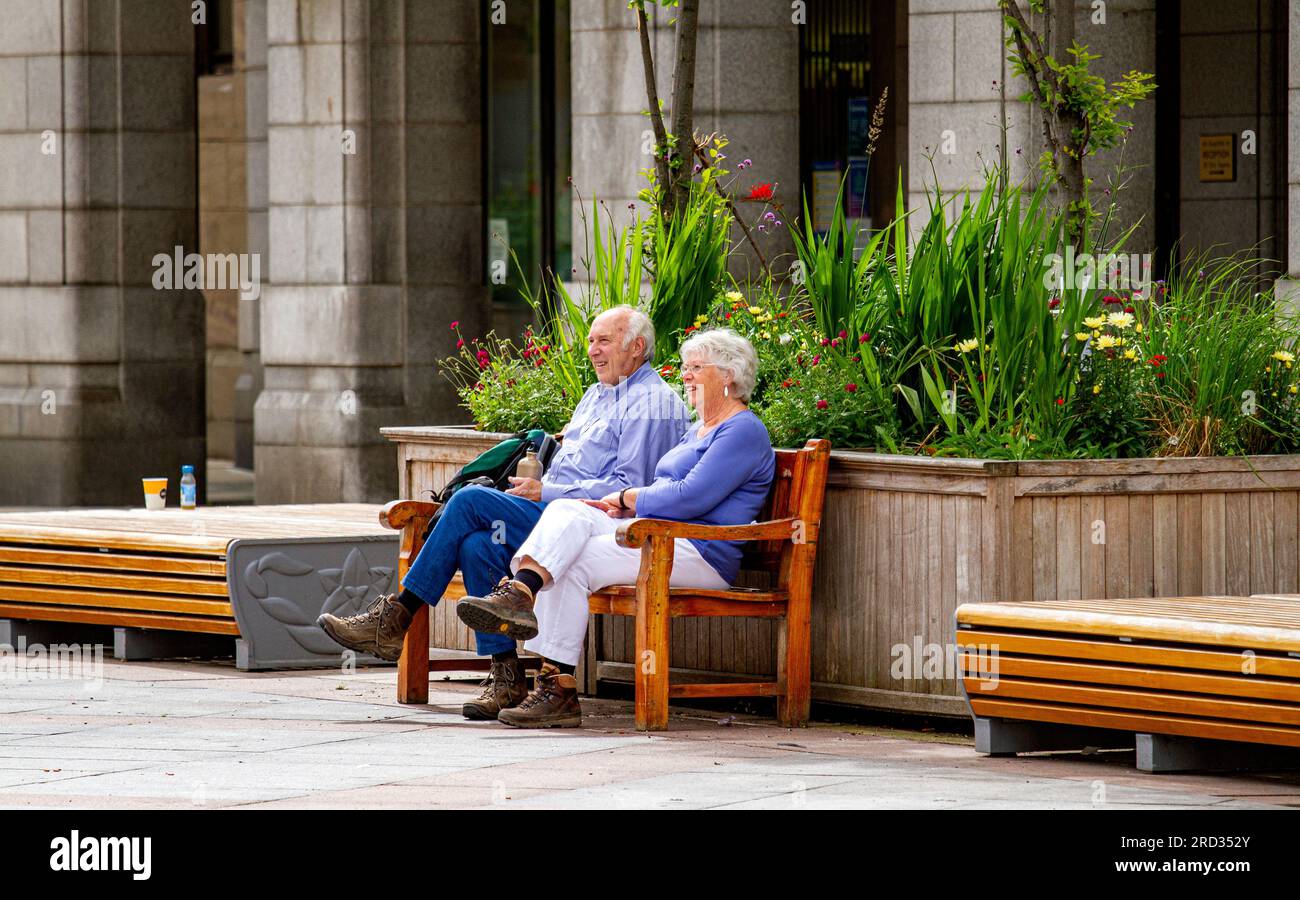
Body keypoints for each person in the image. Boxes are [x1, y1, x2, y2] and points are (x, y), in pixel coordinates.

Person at [318, 305, 691, 720]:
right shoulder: (596, 395)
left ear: (636, 347)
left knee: (469, 502)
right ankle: (506, 679)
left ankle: (396, 617)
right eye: (590, 341)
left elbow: (627, 487)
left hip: (591, 526)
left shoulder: (654, 403)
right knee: (479, 544)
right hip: (552, 517)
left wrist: (545, 489)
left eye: (603, 341)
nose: (592, 350)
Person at [456, 328, 775, 728]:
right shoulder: (700, 429)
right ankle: (521, 591)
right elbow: (670, 491)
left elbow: (692, 496)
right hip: (658, 534)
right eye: (685, 367)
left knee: (573, 561)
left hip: (700, 551)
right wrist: (623, 508)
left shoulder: (742, 429)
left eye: (696, 368)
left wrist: (627, 499)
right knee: (569, 509)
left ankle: (557, 687)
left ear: (727, 375)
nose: (686, 375)